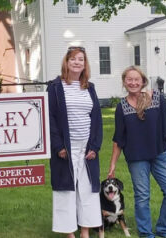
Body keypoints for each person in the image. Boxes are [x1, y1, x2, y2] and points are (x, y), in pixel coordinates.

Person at [108, 66, 166, 238]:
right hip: (136, 158)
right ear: (124, 83)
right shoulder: (122, 107)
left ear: (143, 81)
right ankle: (146, 234)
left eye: (136, 79)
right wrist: (112, 165)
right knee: (142, 196)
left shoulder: (156, 98)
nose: (133, 83)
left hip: (160, 154)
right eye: (129, 80)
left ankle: (164, 230)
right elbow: (119, 139)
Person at [47, 46, 103, 238]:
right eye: (73, 59)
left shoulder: (90, 87)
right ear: (66, 62)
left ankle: (85, 230)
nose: (77, 62)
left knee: (88, 189)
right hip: (66, 148)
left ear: (85, 64)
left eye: (81, 59)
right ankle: (69, 232)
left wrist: (95, 146)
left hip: (86, 146)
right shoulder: (55, 87)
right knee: (66, 190)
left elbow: (96, 118)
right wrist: (58, 146)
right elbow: (50, 119)